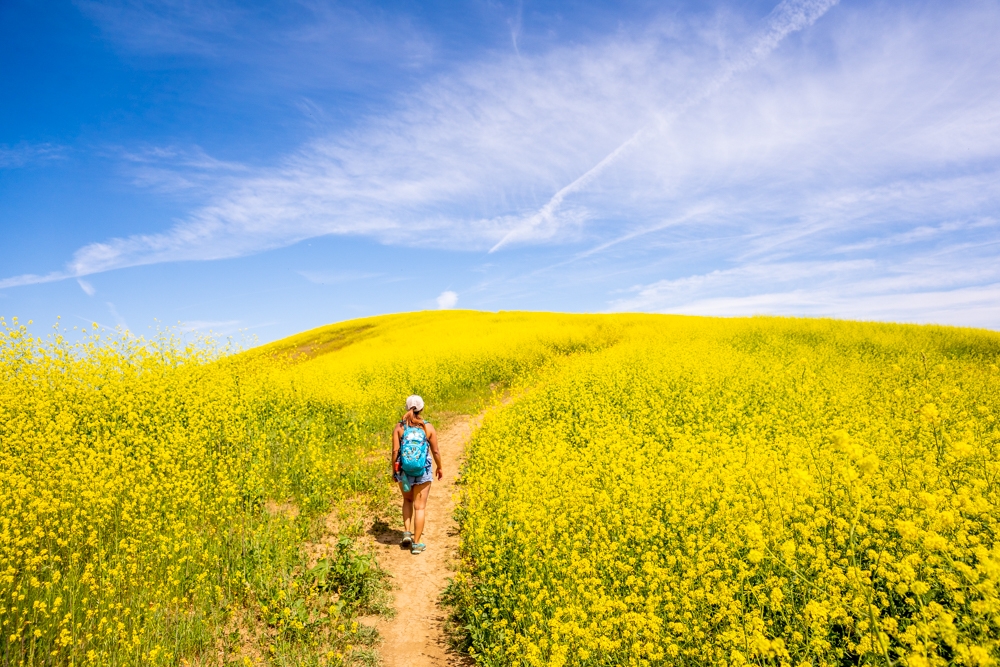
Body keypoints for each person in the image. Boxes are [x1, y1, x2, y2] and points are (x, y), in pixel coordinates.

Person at [391, 394, 443, 555]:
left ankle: (407, 533)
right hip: (423, 471)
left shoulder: (399, 428)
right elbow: (435, 451)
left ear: (407, 408)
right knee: (419, 507)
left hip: (404, 471)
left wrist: (394, 470)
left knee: (407, 500)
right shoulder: (428, 427)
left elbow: (394, 451)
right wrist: (440, 467)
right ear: (422, 408)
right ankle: (417, 543)